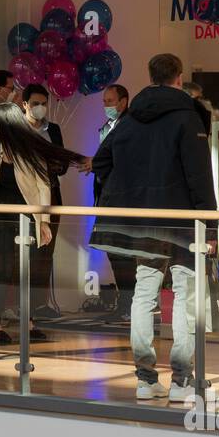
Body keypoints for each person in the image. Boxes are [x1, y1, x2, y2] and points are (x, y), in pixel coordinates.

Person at [90, 54, 215, 401]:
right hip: (180, 224)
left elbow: (101, 161)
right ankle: (182, 382)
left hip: (140, 224)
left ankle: (145, 379)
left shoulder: (130, 119)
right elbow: (199, 178)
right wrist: (212, 228)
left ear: (150, 75)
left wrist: (136, 184)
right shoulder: (187, 117)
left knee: (144, 296)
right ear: (179, 77)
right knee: (185, 299)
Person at [0, 102, 81, 345]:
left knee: (28, 272)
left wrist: (43, 222)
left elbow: (43, 187)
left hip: (26, 218)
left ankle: (28, 322)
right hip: (0, 219)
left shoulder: (29, 149)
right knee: (4, 270)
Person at [89, 83, 135, 321]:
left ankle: (129, 304)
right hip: (106, 194)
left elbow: (121, 161)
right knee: (114, 253)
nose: (106, 105)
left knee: (124, 254)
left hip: (123, 199)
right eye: (104, 101)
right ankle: (125, 303)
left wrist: (97, 163)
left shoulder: (129, 126)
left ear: (124, 102)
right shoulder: (106, 128)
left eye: (110, 101)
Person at [22, 84, 68, 321]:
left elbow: (63, 164)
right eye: (35, 103)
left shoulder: (54, 129)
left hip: (51, 194)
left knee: (45, 252)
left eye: (43, 103)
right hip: (26, 198)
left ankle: (39, 305)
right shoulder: (16, 130)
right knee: (25, 253)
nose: (40, 108)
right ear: (25, 105)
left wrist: (49, 164)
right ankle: (22, 307)